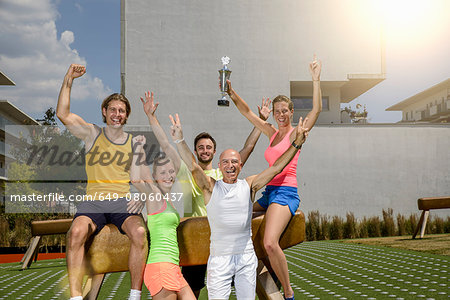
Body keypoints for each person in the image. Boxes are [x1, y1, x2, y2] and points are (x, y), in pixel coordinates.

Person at [170, 114, 309, 299]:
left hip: (246, 257)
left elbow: (276, 168)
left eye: (234, 162)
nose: (230, 165)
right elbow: (194, 166)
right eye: (226, 162)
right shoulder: (210, 187)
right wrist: (179, 139)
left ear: (241, 165)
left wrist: (297, 144)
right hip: (220, 259)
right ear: (219, 166)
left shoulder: (249, 185)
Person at [225, 57, 322, 299]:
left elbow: (317, 110)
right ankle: (248, 269)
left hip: (285, 193)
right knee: (239, 220)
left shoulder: (296, 132)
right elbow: (247, 112)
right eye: (277, 112)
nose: (280, 115)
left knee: (269, 242)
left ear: (291, 112)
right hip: (269, 192)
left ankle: (288, 293)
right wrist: (231, 91)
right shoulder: (270, 132)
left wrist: (316, 79)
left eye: (284, 111)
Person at [160, 98, 271, 297]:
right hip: (197, 236)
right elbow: (181, 156)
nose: (205, 150)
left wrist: (260, 121)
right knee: (192, 290)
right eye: (201, 148)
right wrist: (177, 138)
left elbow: (248, 147)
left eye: (208, 147)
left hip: (225, 241)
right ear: (195, 152)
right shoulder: (189, 170)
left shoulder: (224, 174)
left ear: (215, 152)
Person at [56, 64, 147, 300]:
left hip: (121, 202)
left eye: (122, 111)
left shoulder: (134, 143)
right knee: (76, 233)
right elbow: (63, 114)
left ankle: (135, 295)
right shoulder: (92, 133)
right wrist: (69, 79)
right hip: (94, 202)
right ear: (104, 111)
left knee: (139, 232)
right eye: (113, 110)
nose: (117, 114)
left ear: (127, 115)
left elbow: (138, 178)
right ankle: (76, 297)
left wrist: (144, 197)